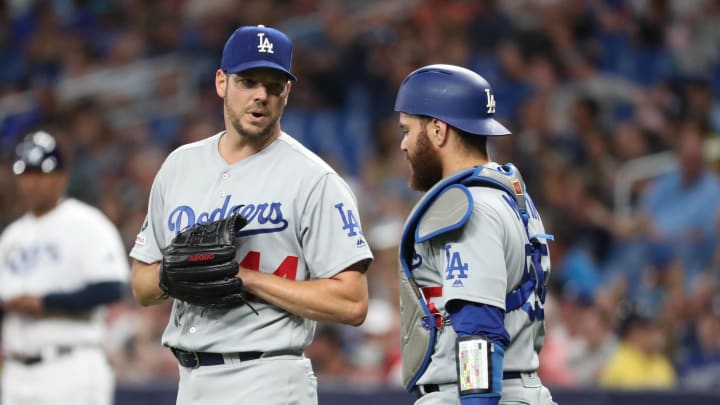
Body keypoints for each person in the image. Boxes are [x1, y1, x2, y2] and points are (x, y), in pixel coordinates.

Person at [129, 25, 373, 405]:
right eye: (248, 81)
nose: (261, 95)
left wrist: (247, 279)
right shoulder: (180, 166)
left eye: (274, 85)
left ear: (287, 93)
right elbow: (142, 286)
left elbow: (352, 302)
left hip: (268, 377)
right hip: (190, 380)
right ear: (221, 82)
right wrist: (174, 274)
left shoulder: (314, 179)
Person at [394, 64, 557, 405]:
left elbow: (478, 334)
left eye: (408, 129)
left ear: (438, 130)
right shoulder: (507, 194)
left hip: (477, 396)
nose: (403, 144)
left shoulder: (471, 210)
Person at [0, 130, 129, 405]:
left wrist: (45, 302)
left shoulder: (86, 223)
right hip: (14, 370)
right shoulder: (12, 235)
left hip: (70, 367)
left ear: (61, 177)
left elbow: (111, 288)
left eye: (40, 174)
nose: (31, 184)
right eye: (26, 175)